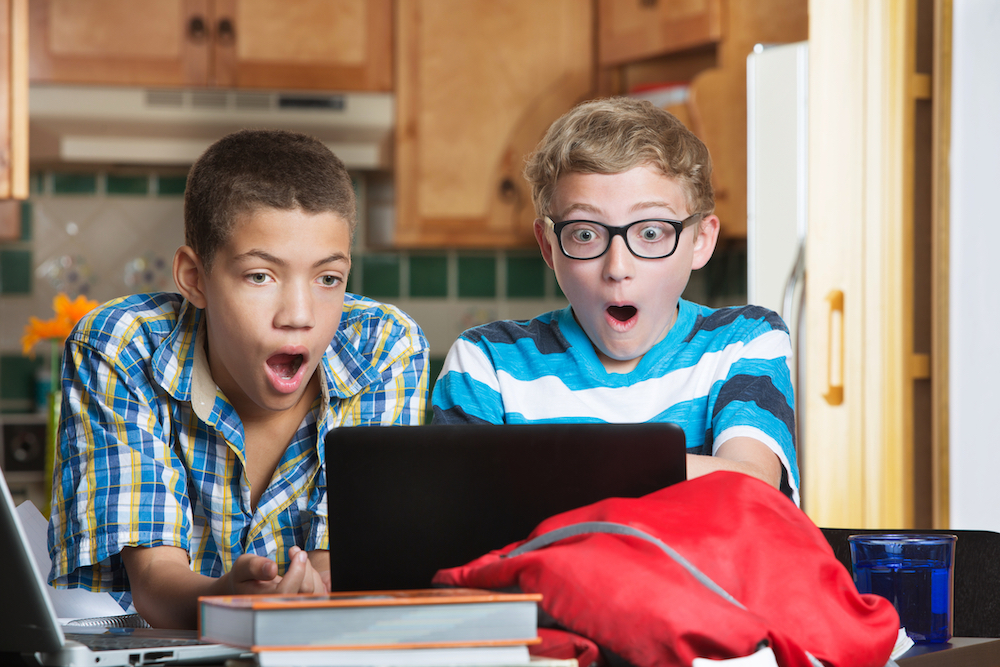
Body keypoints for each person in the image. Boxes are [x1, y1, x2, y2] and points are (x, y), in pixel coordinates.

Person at [47, 129, 430, 629]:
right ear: (195, 278)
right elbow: (156, 585)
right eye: (260, 276)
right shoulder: (121, 347)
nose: (298, 315)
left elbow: (339, 572)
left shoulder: (384, 349)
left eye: (327, 278)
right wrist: (229, 597)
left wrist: (309, 592)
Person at [432, 97, 799, 503]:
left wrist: (541, 468)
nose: (618, 267)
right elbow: (459, 517)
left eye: (651, 233)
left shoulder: (744, 341)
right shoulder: (487, 363)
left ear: (701, 240)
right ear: (549, 246)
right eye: (586, 233)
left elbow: (751, 489)